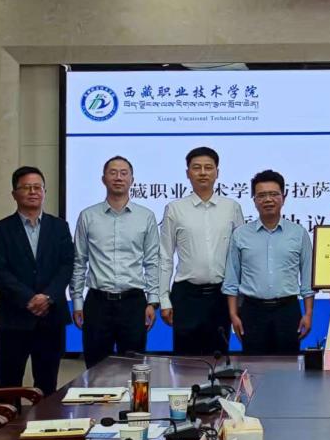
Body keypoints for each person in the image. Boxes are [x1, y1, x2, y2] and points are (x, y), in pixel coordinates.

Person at [0, 167, 74, 395]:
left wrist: (48, 296)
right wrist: (28, 298)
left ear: (44, 192)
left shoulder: (59, 227)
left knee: (47, 387)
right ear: (14, 194)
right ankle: (9, 421)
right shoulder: (1, 230)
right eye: (26, 187)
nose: (33, 192)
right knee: (8, 387)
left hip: (51, 317)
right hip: (13, 318)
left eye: (37, 187)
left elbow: (67, 265)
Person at [71, 156, 161, 368]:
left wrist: (152, 301)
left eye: (123, 173)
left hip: (133, 303)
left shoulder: (146, 216)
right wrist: (77, 301)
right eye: (113, 173)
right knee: (94, 369)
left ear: (132, 180)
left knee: (134, 369)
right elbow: (79, 261)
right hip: (97, 303)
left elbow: (152, 262)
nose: (118, 178)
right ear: (103, 179)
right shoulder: (87, 216)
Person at [159, 146, 244, 355]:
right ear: (188, 173)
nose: (203, 172)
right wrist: (164, 299)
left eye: (208, 167)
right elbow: (165, 256)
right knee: (185, 362)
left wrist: (240, 298)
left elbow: (241, 256)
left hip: (221, 296)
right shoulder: (174, 208)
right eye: (196, 168)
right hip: (186, 296)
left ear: (217, 172)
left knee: (219, 360)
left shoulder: (231, 207)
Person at [223, 170, 314, 355]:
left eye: (274, 194)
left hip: (287, 311)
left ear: (283, 198)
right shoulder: (240, 235)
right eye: (262, 195)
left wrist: (308, 314)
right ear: (254, 200)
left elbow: (307, 279)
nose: (268, 200)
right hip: (252, 311)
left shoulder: (298, 233)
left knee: (288, 366)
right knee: (254, 366)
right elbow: (232, 279)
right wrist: (233, 315)